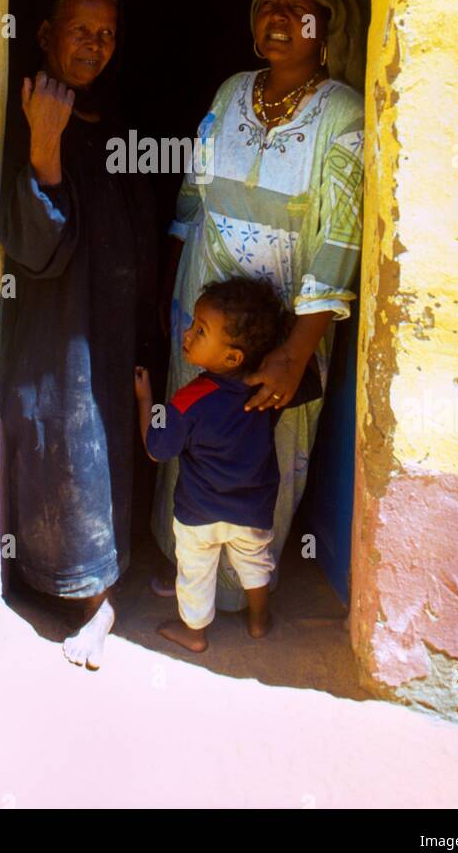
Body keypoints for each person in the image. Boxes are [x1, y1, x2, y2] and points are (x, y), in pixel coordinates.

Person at [150, 0, 365, 611]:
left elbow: (341, 240)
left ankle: (246, 592)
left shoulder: (342, 113)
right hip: (205, 305)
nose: (279, 18)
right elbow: (193, 192)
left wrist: (292, 353)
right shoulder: (230, 91)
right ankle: (183, 565)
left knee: (263, 448)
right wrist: (169, 286)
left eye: (299, 9)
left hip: (283, 325)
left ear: (324, 29)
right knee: (193, 431)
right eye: (269, 5)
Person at [0, 0, 156, 670]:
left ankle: (100, 595)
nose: (95, 45)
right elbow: (36, 250)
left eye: (108, 34)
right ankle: (59, 584)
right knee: (57, 431)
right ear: (45, 35)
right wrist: (43, 144)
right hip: (58, 320)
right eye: (80, 30)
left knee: (105, 440)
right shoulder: (28, 110)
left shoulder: (106, 115)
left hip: (114, 319)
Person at [135, 277, 321, 651]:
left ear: (233, 357)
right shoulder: (267, 394)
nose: (187, 334)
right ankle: (258, 621)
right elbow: (311, 383)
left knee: (195, 574)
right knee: (256, 567)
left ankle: (196, 633)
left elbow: (157, 448)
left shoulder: (190, 400)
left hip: (198, 514)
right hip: (251, 510)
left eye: (200, 330)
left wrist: (146, 401)